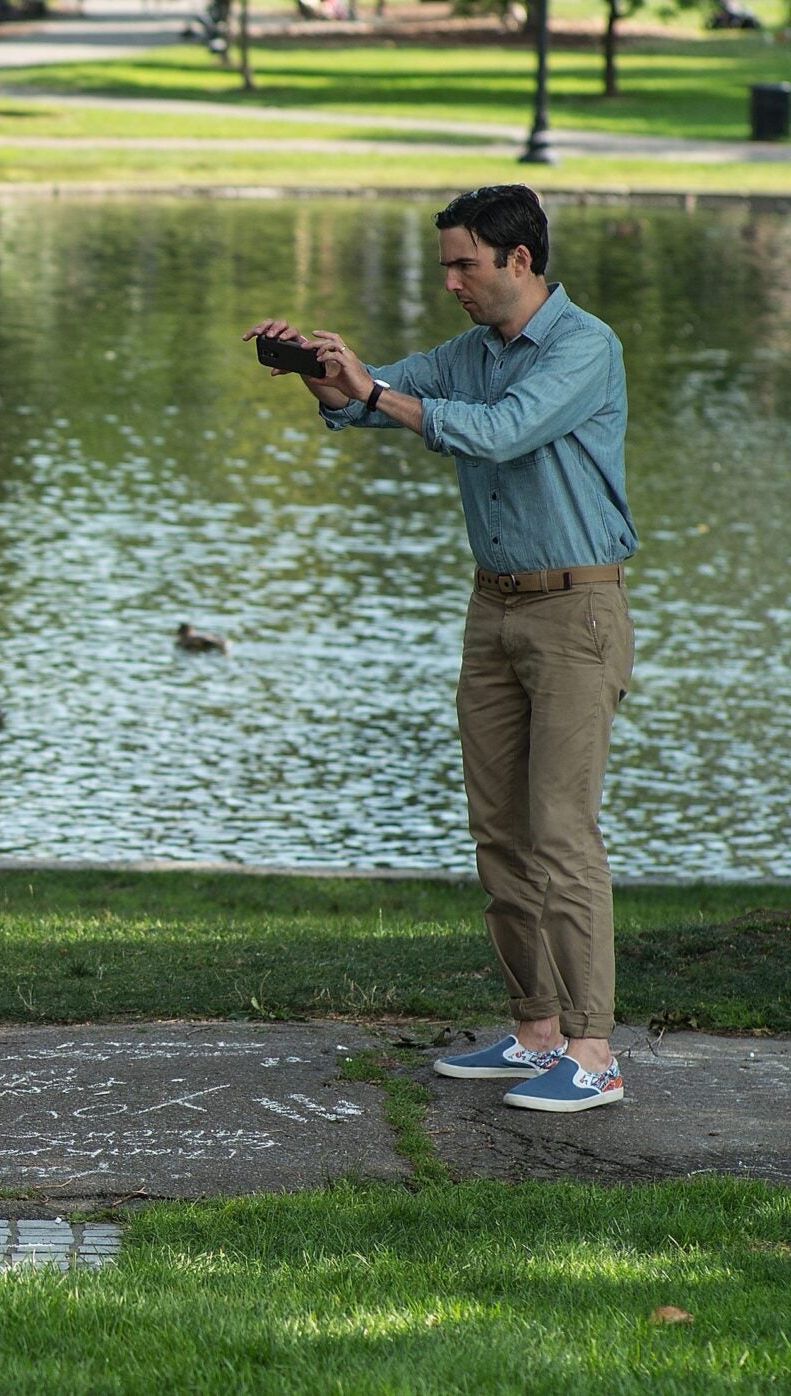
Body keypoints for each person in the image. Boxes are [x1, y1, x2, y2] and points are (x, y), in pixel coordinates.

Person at [248, 185, 635, 1113]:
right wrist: (324, 368)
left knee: (561, 833)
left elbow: (498, 435)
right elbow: (380, 399)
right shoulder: (472, 353)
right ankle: (536, 1032)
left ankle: (595, 1052)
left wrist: (378, 389)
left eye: (465, 264)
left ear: (520, 261)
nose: (452, 282)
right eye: (446, 266)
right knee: (500, 832)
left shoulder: (585, 346)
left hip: (576, 613)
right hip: (493, 610)